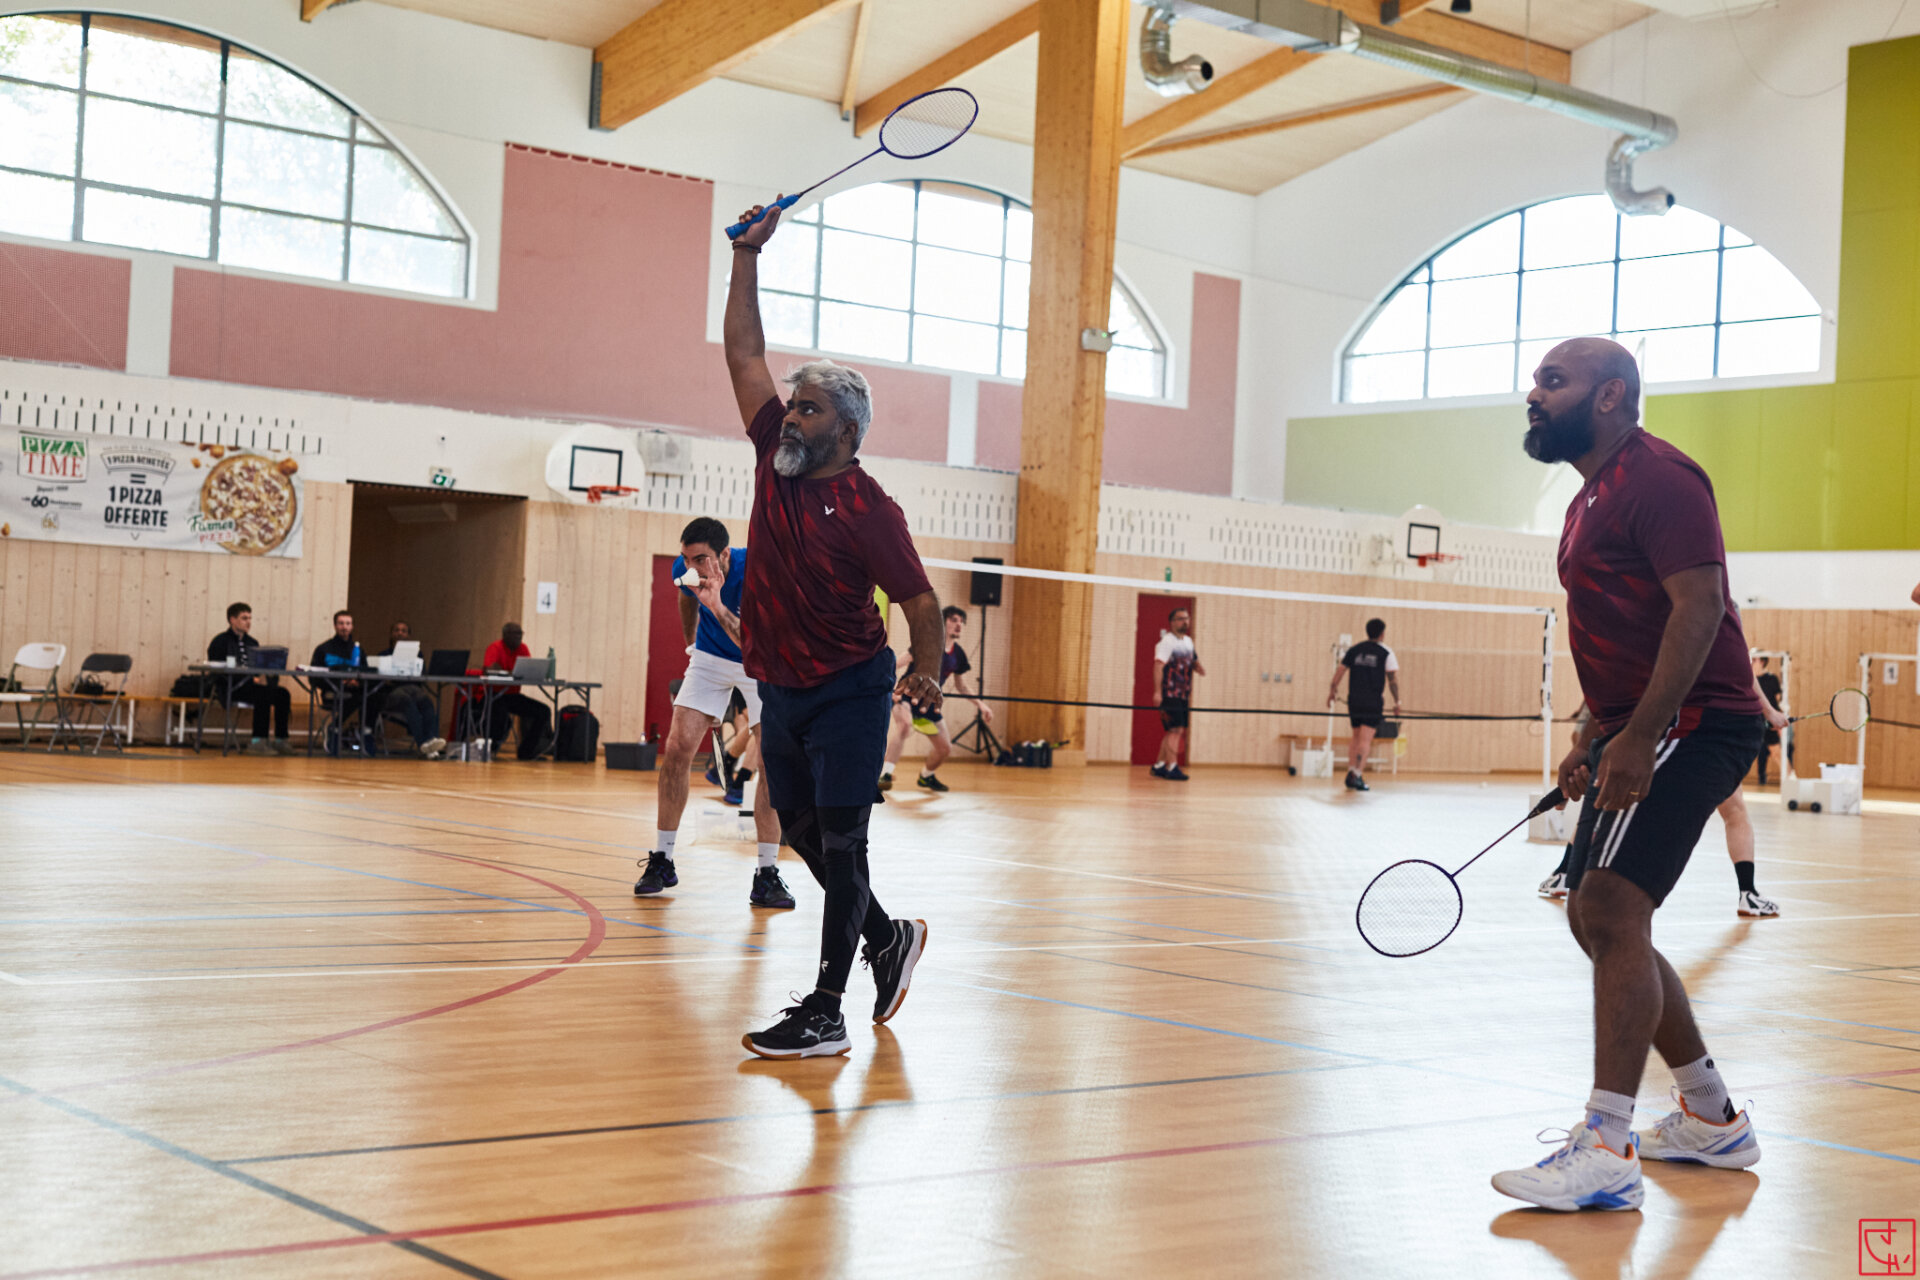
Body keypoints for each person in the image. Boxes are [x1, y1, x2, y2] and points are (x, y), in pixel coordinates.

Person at [1492, 337, 1766, 1214]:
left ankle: (1608, 1145)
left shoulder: (1660, 477)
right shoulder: (1588, 498)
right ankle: (1713, 1118)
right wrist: (1592, 729)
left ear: (1609, 395)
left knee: (1610, 907)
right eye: (1536, 380)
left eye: (1553, 381)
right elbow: (1622, 629)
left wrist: (1642, 734)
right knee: (1600, 916)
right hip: (1642, 723)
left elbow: (1699, 606)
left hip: (1698, 719)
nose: (1534, 394)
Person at [727, 198, 939, 1059]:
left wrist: (926, 668)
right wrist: (747, 256)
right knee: (808, 837)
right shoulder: (772, 456)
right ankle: (889, 939)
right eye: (793, 405)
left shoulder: (869, 509)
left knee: (844, 841)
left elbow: (920, 601)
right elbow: (745, 354)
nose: (790, 416)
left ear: (844, 430)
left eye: (808, 410)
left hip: (849, 688)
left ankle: (826, 1009)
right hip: (781, 687)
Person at [633, 516, 795, 910]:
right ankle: (663, 859)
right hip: (709, 659)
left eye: (700, 560)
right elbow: (684, 595)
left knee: (770, 760)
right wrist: (691, 641)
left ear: (724, 555)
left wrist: (717, 604)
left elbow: (751, 642)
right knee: (677, 748)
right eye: (687, 559)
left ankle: (767, 874)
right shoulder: (685, 567)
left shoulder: (757, 571)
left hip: (760, 661)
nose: (691, 567)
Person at [880, 605, 991, 793]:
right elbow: (895, 664)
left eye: (961, 621)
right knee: (905, 725)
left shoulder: (958, 655)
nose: (959, 625)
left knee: (945, 748)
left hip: (929, 705)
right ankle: (884, 775)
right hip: (905, 697)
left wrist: (981, 705)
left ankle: (926, 776)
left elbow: (961, 686)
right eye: (953, 620)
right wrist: (890, 689)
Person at [206, 601, 292, 755]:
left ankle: (281, 740)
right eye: (244, 618)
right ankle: (258, 742)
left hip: (249, 686)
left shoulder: (252, 642)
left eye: (250, 618)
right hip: (230, 687)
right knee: (262, 695)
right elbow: (216, 669)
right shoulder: (220, 641)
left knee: (283, 694)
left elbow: (258, 669)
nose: (248, 622)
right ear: (232, 620)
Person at [1328, 619, 1400, 791]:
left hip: (1354, 700)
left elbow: (1340, 670)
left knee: (1356, 737)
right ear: (1382, 633)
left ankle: (1351, 773)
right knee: (1365, 739)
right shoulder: (1386, 652)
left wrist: (1332, 690)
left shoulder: (1355, 650)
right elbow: (1392, 680)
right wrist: (1397, 701)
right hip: (1372, 702)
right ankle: (1357, 775)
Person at [481, 623, 553, 760]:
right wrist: (511, 673)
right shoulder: (495, 647)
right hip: (494, 694)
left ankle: (527, 751)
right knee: (500, 713)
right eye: (515, 633)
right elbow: (489, 670)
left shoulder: (523, 648)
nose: (519, 637)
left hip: (513, 695)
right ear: (505, 635)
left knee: (543, 711)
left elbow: (527, 670)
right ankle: (492, 749)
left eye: (520, 633)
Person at [379, 620, 447, 759]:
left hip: (413, 689)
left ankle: (432, 740)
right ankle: (423, 744)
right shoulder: (384, 655)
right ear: (391, 634)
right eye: (397, 630)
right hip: (393, 693)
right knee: (407, 701)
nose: (400, 633)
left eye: (403, 631)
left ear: (408, 635)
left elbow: (422, 675)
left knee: (426, 702)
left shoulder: (418, 655)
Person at [1150, 608, 1204, 780]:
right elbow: (1158, 666)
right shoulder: (1167, 642)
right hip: (1169, 693)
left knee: (1173, 730)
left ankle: (1159, 765)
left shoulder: (1188, 641)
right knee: (1175, 730)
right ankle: (1172, 766)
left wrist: (1198, 667)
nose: (1185, 622)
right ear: (1172, 622)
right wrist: (1157, 692)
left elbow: (1193, 660)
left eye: (1187, 618)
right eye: (1180, 619)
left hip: (1183, 694)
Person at [311, 610, 371, 753]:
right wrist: (339, 683)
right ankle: (335, 728)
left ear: (352, 626)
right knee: (360, 698)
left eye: (348, 623)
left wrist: (358, 683)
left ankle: (366, 731)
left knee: (372, 696)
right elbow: (313, 677)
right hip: (331, 692)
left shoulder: (358, 650)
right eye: (341, 623)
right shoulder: (323, 649)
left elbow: (366, 673)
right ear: (335, 626)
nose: (344, 627)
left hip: (355, 690)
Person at [1753, 656, 1784, 786]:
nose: (1752, 662)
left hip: (1770, 722)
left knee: (1776, 752)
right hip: (1755, 721)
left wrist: (1778, 718)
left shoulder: (1772, 679)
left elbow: (1778, 700)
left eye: (1754, 659)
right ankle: (1761, 779)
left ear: (1762, 661)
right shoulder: (1751, 679)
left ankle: (1790, 779)